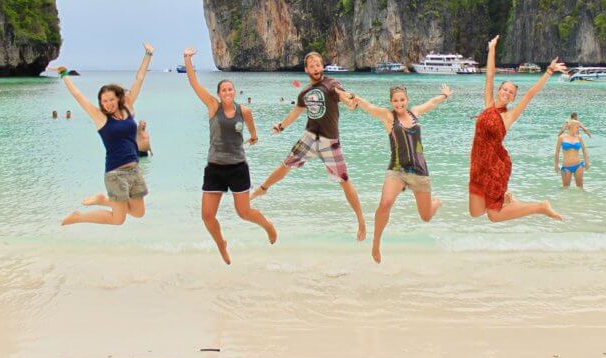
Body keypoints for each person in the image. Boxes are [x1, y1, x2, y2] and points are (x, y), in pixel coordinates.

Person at [251, 51, 366, 241]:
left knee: (344, 181)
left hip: (330, 141)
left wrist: (348, 101)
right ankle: (262, 189)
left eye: (318, 64)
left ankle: (361, 221)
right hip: (310, 137)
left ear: (322, 67)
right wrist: (281, 126)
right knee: (285, 165)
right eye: (311, 65)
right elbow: (296, 112)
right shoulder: (304, 93)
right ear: (306, 69)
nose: (315, 68)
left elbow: (341, 94)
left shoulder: (331, 84)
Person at [183, 47, 276, 264]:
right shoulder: (212, 106)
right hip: (215, 168)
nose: (227, 93)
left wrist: (253, 138)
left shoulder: (244, 111)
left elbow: (253, 133)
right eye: (223, 90)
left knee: (243, 213)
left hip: (237, 168)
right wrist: (187, 59)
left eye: (230, 90)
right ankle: (221, 244)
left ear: (234, 92)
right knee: (207, 216)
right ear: (218, 94)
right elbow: (194, 83)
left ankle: (267, 226)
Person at [53, 43, 154, 226]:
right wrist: (64, 75)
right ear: (101, 103)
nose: (108, 104)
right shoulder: (100, 118)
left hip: (134, 170)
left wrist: (148, 54)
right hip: (116, 173)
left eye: (111, 100)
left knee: (139, 213)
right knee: (118, 220)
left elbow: (139, 79)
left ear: (118, 98)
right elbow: (78, 95)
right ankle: (79, 217)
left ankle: (102, 199)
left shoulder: (128, 108)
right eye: (104, 101)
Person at [469, 35, 565, 223]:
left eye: (511, 93)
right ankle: (506, 197)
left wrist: (548, 72)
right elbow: (489, 75)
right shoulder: (488, 105)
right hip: (478, 164)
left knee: (494, 216)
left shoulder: (509, 116)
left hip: (495, 166)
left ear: (513, 98)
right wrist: (492, 49)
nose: (507, 93)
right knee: (475, 212)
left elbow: (529, 94)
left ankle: (541, 207)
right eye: (505, 89)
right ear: (499, 91)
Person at [351, 83, 451, 263]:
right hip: (397, 169)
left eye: (402, 99)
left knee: (426, 216)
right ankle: (376, 243)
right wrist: (357, 99)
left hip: (420, 171)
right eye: (395, 101)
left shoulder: (414, 112)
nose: (399, 103)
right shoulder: (388, 117)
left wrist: (444, 96)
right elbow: (370, 107)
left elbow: (431, 103)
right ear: (391, 102)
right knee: (385, 203)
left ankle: (436, 203)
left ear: (407, 99)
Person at [555, 121, 590, 189]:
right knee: (565, 188)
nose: (578, 129)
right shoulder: (562, 137)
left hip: (578, 165)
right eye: (577, 127)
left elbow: (584, 150)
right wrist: (556, 165)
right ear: (571, 127)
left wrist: (587, 162)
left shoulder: (579, 137)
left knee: (580, 188)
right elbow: (557, 152)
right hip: (566, 166)